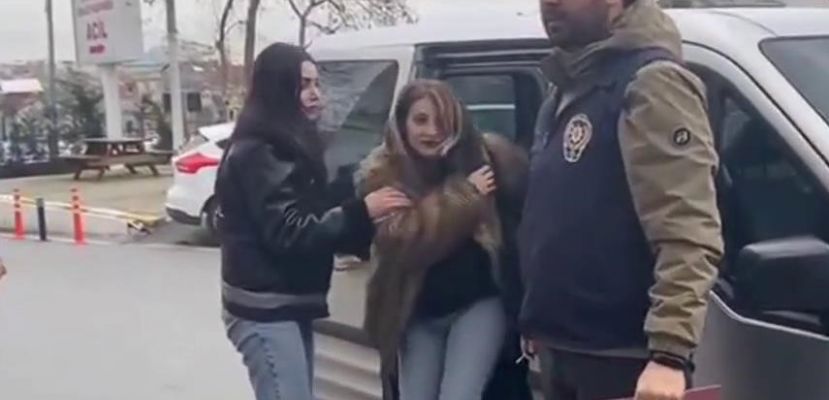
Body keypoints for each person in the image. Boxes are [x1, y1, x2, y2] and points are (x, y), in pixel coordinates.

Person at [518, 0, 724, 399]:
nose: (550, 3)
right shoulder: (569, 87)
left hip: (626, 360)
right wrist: (538, 315)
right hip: (565, 350)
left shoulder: (651, 82)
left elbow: (686, 227)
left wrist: (669, 354)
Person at [215, 43, 411, 400]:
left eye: (317, 84)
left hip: (283, 305)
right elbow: (290, 231)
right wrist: (361, 212)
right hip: (264, 309)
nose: (315, 94)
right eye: (304, 84)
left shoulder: (290, 142)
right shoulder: (260, 151)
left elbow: (315, 209)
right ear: (278, 88)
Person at [356, 79, 530, 400]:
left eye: (442, 120)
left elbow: (529, 212)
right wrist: (466, 195)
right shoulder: (384, 174)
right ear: (402, 123)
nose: (432, 131)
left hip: (477, 305)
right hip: (417, 312)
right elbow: (405, 242)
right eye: (421, 120)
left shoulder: (486, 159)